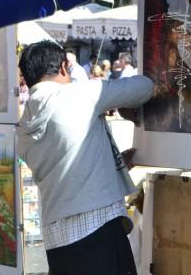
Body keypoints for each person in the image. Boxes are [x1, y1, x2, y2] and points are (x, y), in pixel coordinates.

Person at [17, 41, 154, 275]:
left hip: (56, 240)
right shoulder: (79, 94)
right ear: (62, 68)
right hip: (97, 230)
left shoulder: (24, 126)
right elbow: (145, 87)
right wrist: (116, 104)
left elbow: (65, 162)